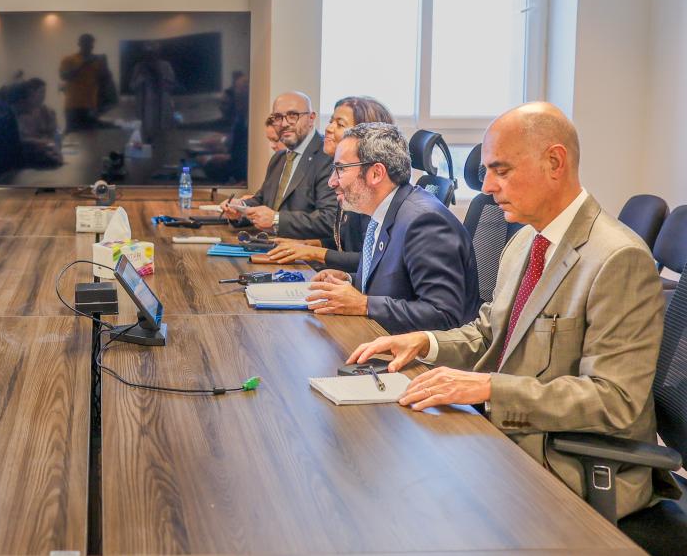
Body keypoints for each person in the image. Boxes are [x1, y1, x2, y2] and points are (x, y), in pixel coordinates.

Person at [347, 103, 673, 518]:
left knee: (403, 501)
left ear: (555, 162)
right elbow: (489, 333)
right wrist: (424, 341)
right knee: (383, 471)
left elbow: (615, 399)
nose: (486, 187)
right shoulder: (524, 242)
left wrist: (488, 388)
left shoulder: (617, 258)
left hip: (570, 462)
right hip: (510, 434)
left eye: (501, 170)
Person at [307, 121, 480, 333]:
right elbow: (398, 284)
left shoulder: (424, 221)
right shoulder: (384, 210)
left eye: (340, 169)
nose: (331, 182)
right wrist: (350, 281)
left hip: (419, 361)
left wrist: (363, 303)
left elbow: (443, 315)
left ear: (376, 173)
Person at [264, 96, 394, 271]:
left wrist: (312, 252)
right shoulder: (350, 182)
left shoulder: (371, 189)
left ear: (366, 136)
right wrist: (306, 244)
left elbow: (372, 258)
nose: (328, 128)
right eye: (331, 121)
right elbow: (345, 240)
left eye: (339, 124)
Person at [219, 90, 337, 241]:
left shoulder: (327, 157)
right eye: (278, 117)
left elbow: (329, 220)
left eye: (293, 116)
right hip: (268, 247)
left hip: (305, 259)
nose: (284, 123)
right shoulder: (279, 158)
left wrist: (276, 219)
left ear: (311, 118)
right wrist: (239, 208)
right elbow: (262, 201)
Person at [59, 33, 112, 131]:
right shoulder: (69, 59)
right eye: (86, 43)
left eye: (91, 44)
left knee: (91, 135)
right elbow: (64, 76)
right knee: (73, 135)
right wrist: (84, 63)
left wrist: (105, 65)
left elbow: (105, 81)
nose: (89, 46)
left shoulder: (97, 61)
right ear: (79, 44)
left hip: (91, 105)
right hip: (73, 106)